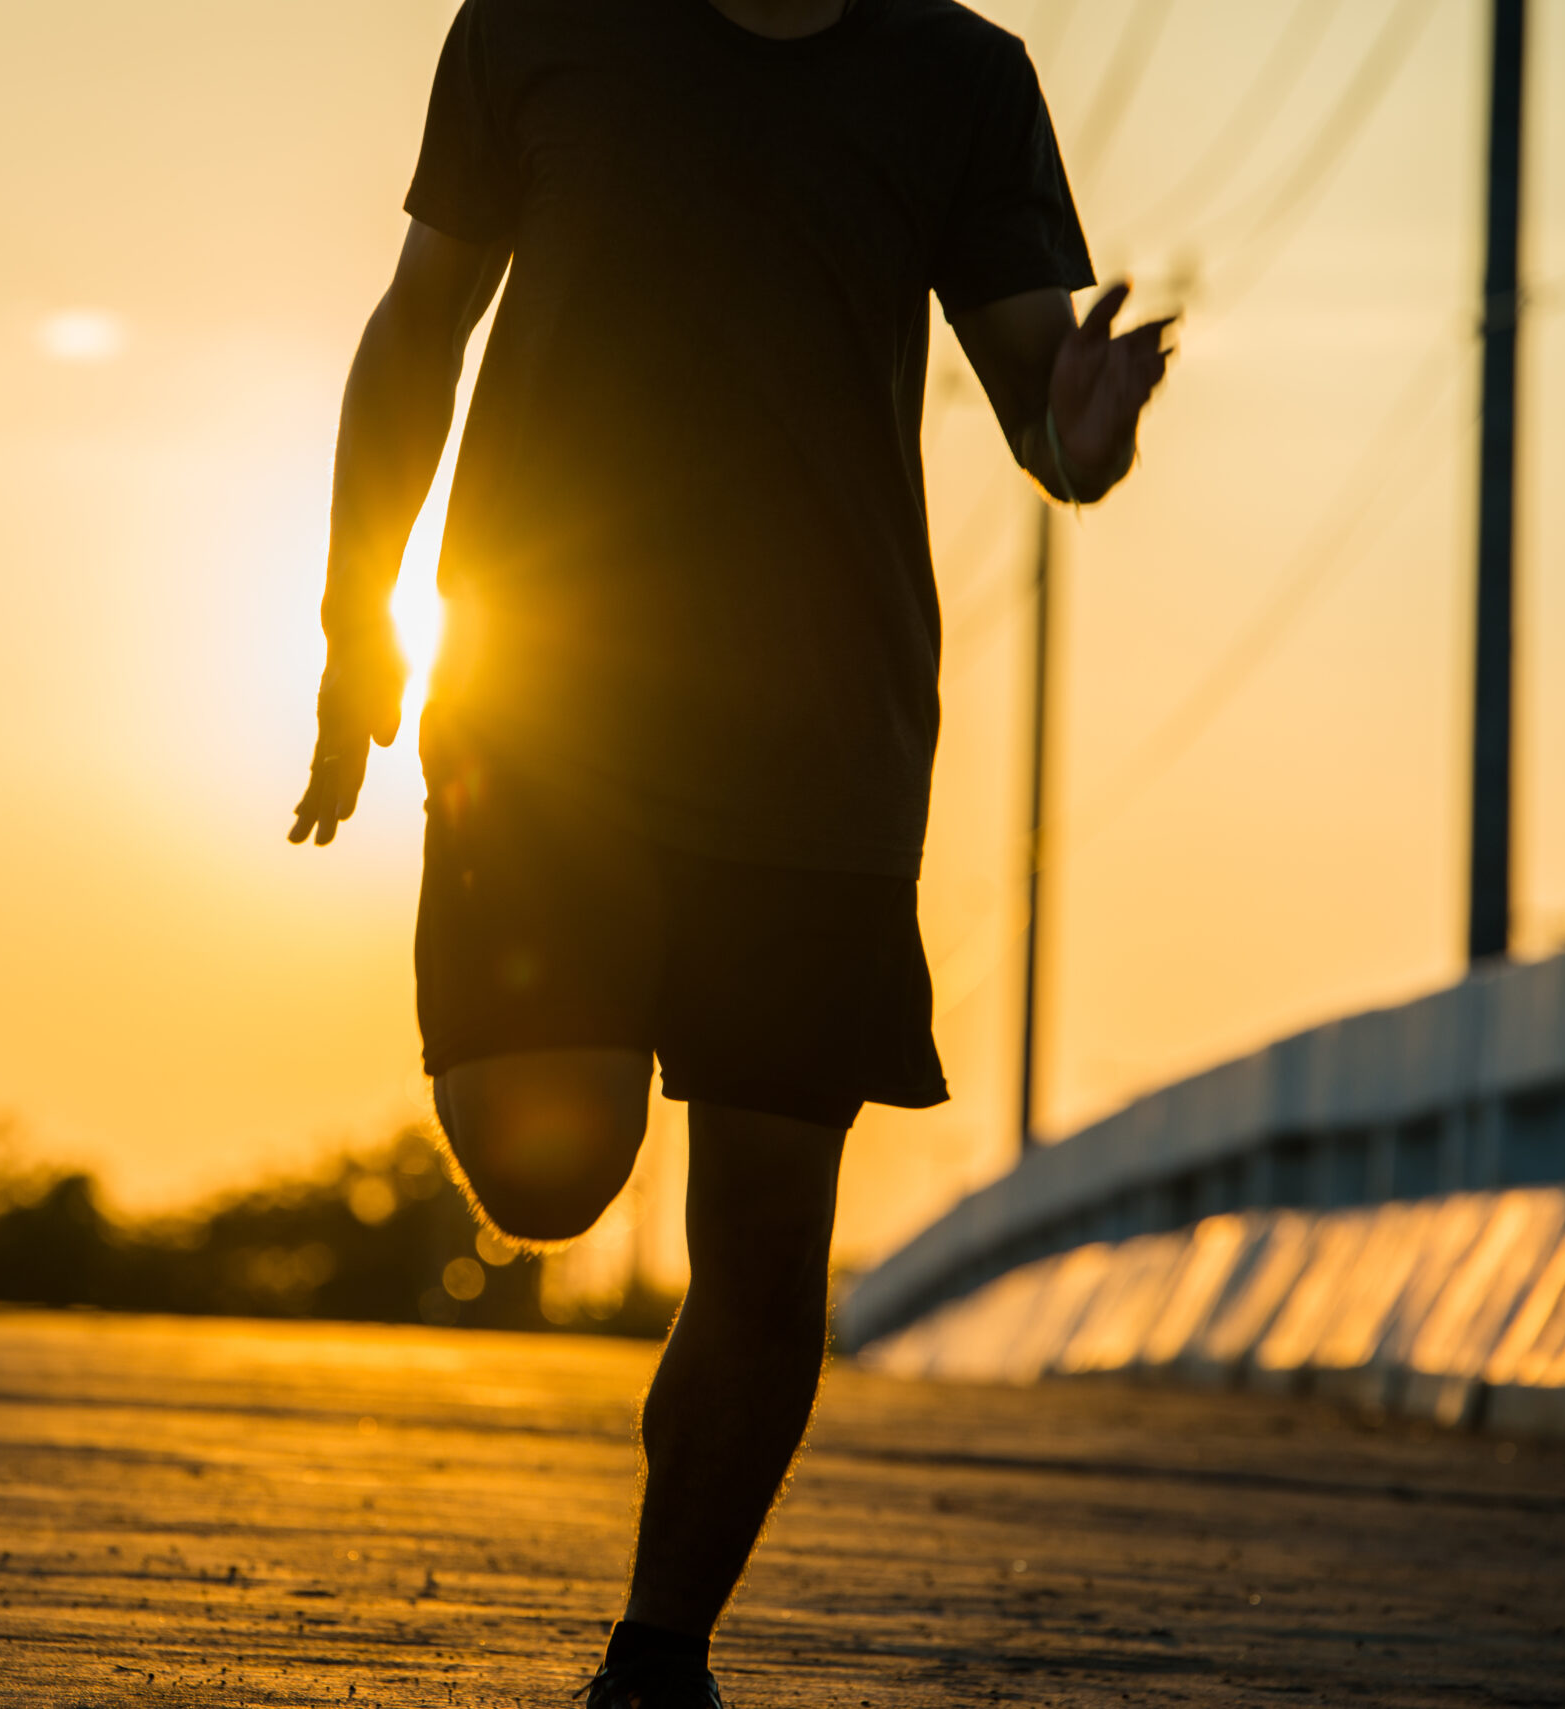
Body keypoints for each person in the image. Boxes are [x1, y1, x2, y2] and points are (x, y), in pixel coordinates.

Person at [289, 2, 1172, 1703]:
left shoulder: (960, 78)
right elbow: (420, 332)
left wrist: (1089, 428)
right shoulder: (542, 25)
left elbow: (1043, 423)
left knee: (768, 1245)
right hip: (546, 707)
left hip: (821, 744)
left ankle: (658, 1651)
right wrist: (355, 622)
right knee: (548, 1171)